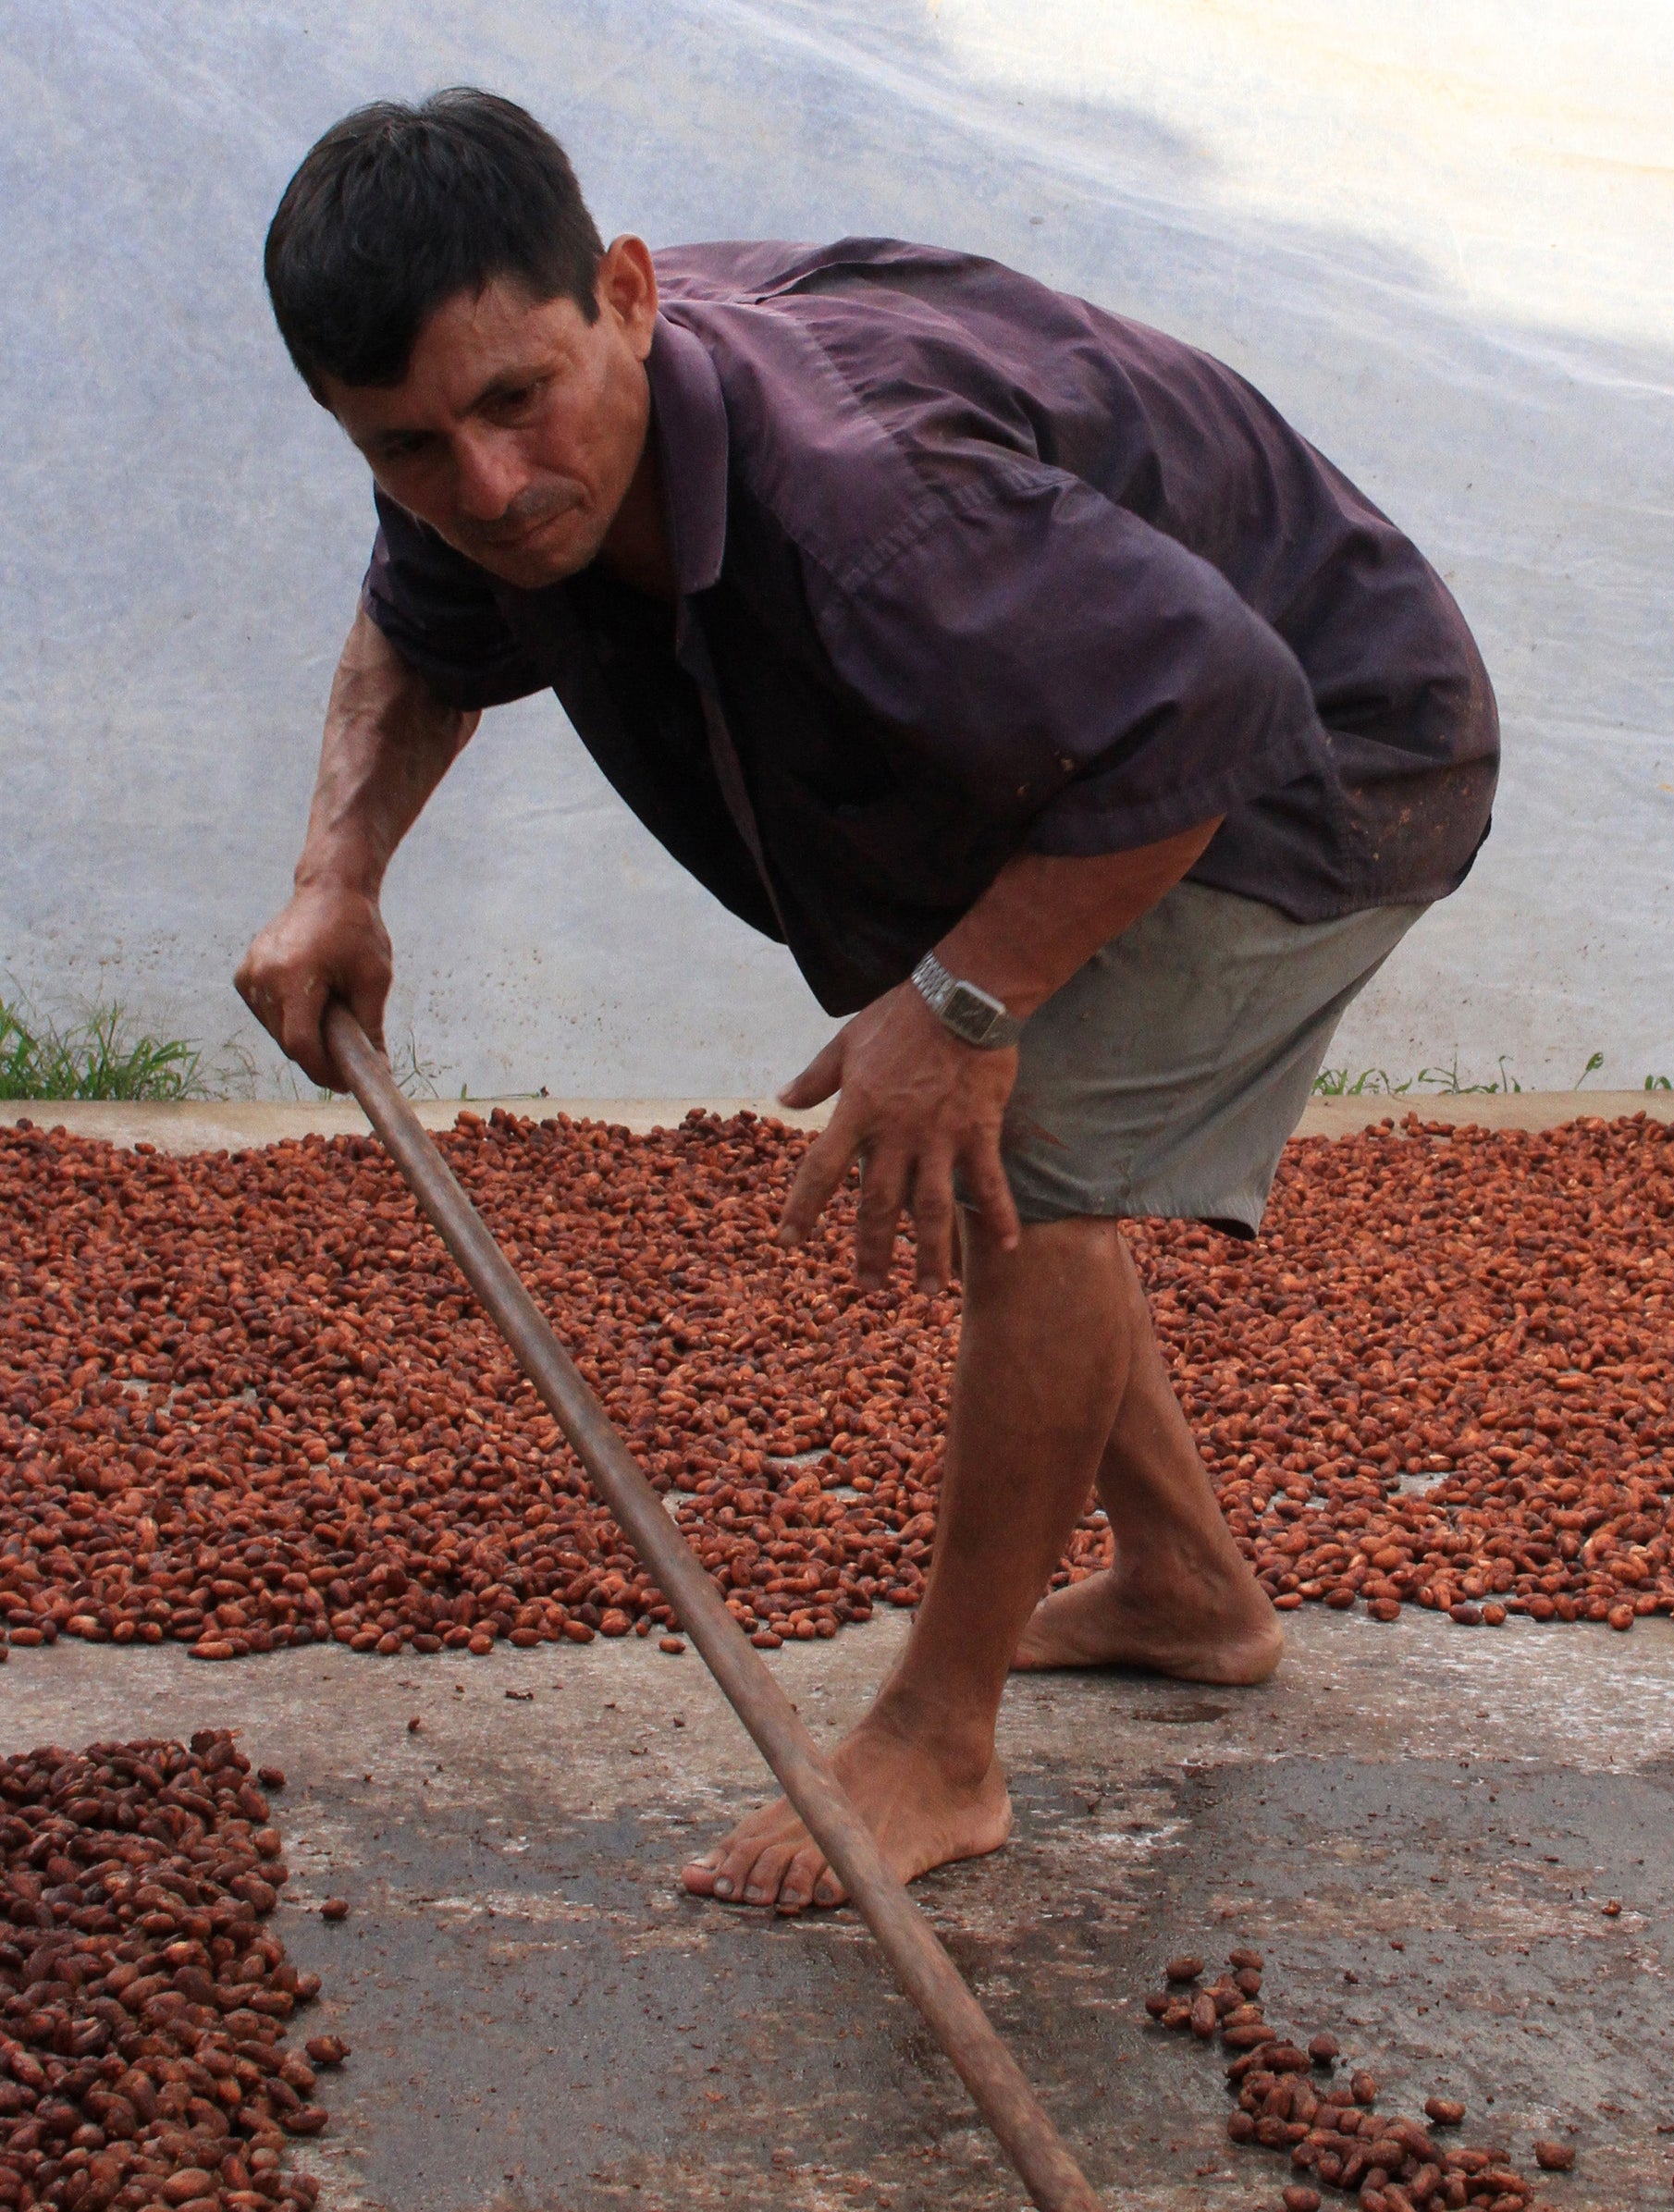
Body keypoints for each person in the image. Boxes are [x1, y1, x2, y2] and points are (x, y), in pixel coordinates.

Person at [239, 92, 1499, 1914]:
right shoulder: (491, 450)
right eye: (412, 443)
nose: (492, 482)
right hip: (1079, 721)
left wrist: (965, 1007)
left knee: (1028, 1154)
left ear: (627, 293)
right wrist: (337, 870)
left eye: (521, 402)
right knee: (997, 1128)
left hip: (1323, 740)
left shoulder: (875, 509)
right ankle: (1184, 1588)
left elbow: (1205, 712)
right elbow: (427, 607)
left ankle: (938, 1741)